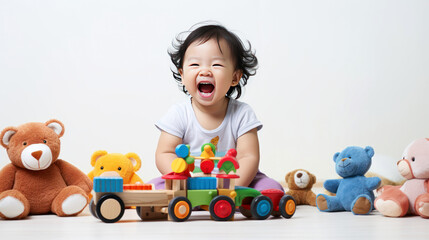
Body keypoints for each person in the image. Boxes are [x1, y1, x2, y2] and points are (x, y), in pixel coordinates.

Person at [148, 23, 283, 192]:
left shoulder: (242, 113)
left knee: (270, 187)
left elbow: (248, 157)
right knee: (154, 187)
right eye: (195, 65)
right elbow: (164, 154)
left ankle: (241, 199)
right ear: (182, 75)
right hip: (189, 181)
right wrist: (183, 178)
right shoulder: (178, 114)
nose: (205, 71)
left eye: (216, 65)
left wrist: (232, 188)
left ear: (235, 77)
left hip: (234, 179)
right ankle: (189, 195)